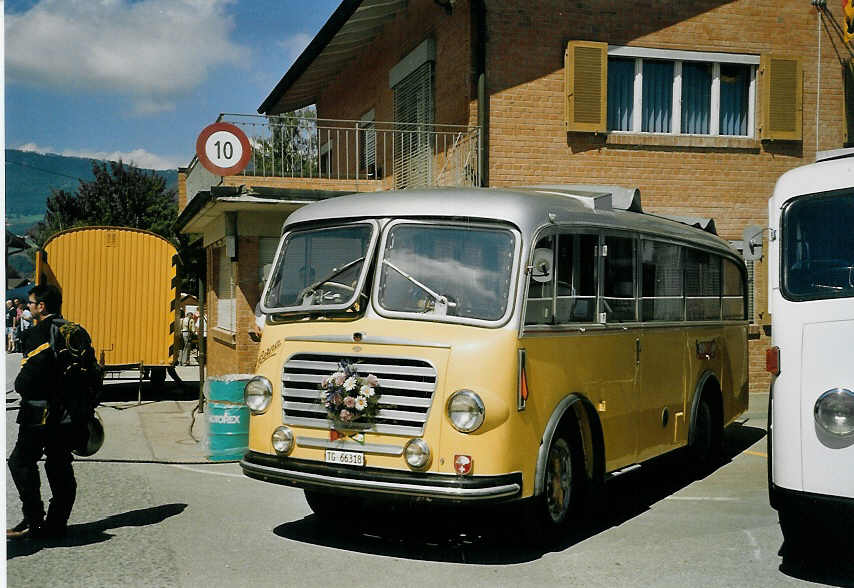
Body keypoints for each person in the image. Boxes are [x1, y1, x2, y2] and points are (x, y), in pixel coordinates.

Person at [7, 284, 77, 540]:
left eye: (31, 303)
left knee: (21, 462)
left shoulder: (39, 333)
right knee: (59, 465)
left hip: (39, 413)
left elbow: (28, 379)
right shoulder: (73, 330)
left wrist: (19, 384)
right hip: (68, 412)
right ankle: (57, 523)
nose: (28, 307)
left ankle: (34, 520)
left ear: (42, 307)